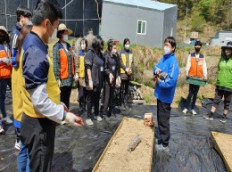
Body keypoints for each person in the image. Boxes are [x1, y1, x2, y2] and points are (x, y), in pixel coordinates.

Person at [19, 2, 84, 171]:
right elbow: (39, 101)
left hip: (40, 118)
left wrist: (59, 105)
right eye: (55, 26)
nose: (55, 32)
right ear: (47, 24)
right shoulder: (35, 50)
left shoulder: (34, 42)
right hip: (38, 123)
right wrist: (64, 115)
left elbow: (43, 87)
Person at [12, 23, 33, 172]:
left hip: (18, 115)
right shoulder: (28, 59)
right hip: (28, 115)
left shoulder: (16, 61)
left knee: (23, 151)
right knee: (30, 152)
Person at [153, 36, 179, 151]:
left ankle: (165, 144)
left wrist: (159, 81)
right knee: (160, 117)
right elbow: (156, 67)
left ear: (173, 48)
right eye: (165, 45)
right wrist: (156, 71)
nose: (165, 48)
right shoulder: (164, 58)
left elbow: (170, 81)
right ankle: (161, 138)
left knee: (164, 120)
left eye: (167, 46)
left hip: (165, 96)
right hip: (159, 94)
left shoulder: (173, 63)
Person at [204, 41, 232, 123]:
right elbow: (219, 70)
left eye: (229, 49)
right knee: (216, 100)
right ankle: (211, 115)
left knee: (227, 102)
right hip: (220, 83)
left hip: (229, 85)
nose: (227, 51)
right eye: (226, 49)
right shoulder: (222, 59)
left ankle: (224, 117)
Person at [182, 41, 207, 115]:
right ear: (195, 46)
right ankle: (186, 107)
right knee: (190, 93)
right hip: (192, 76)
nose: (198, 47)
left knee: (195, 93)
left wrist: (205, 75)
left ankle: (192, 108)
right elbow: (188, 64)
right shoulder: (191, 55)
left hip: (199, 77)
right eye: (197, 45)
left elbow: (204, 66)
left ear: (200, 47)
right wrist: (187, 72)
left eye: (199, 45)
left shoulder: (202, 57)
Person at [53, 23, 74, 109]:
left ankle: (66, 114)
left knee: (67, 98)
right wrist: (57, 78)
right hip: (62, 77)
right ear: (60, 34)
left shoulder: (68, 46)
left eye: (67, 33)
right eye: (65, 33)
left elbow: (72, 60)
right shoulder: (57, 47)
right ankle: (61, 116)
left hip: (69, 77)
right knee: (62, 98)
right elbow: (56, 63)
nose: (66, 35)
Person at [85, 36, 104, 125]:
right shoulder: (90, 53)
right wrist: (90, 80)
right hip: (92, 80)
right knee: (90, 99)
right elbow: (88, 67)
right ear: (96, 43)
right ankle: (88, 117)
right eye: (101, 43)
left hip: (99, 81)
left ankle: (96, 114)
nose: (102, 45)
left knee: (97, 98)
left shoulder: (100, 54)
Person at [102, 39, 120, 119]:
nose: (115, 49)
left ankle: (110, 110)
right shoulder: (106, 56)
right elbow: (104, 68)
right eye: (114, 48)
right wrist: (109, 74)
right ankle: (104, 113)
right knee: (107, 96)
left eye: (116, 48)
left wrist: (117, 77)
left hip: (113, 79)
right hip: (107, 80)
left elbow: (116, 68)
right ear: (110, 48)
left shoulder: (115, 57)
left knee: (112, 96)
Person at [0, 26, 13, 125]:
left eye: (2, 33)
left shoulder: (7, 45)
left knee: (16, 93)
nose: (1, 35)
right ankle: (4, 116)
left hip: (10, 74)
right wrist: (2, 60)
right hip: (2, 76)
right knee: (2, 97)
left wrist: (10, 60)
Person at [119, 38, 134, 109]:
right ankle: (121, 102)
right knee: (121, 89)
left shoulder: (131, 52)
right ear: (124, 44)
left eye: (128, 43)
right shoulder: (121, 52)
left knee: (126, 90)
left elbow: (133, 63)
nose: (127, 45)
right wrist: (126, 68)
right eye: (126, 43)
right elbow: (120, 62)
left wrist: (130, 68)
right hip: (123, 74)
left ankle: (125, 102)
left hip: (128, 74)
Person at [75, 38, 88, 113]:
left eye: (84, 43)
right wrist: (76, 73)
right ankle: (81, 106)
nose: (83, 45)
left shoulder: (88, 53)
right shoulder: (79, 53)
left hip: (87, 76)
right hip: (80, 75)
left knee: (86, 91)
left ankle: (85, 105)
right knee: (81, 92)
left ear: (86, 44)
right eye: (81, 44)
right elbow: (77, 64)